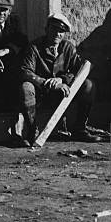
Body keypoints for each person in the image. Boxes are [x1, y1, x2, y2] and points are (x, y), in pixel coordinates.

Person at [19, 13, 102, 145]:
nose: (58, 34)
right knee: (26, 87)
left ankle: (79, 129)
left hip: (62, 94)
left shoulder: (67, 47)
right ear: (47, 29)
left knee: (88, 85)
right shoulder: (34, 47)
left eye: (61, 31)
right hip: (42, 93)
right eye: (54, 29)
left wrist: (62, 80)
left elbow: (78, 71)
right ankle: (32, 131)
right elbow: (25, 71)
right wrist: (45, 82)